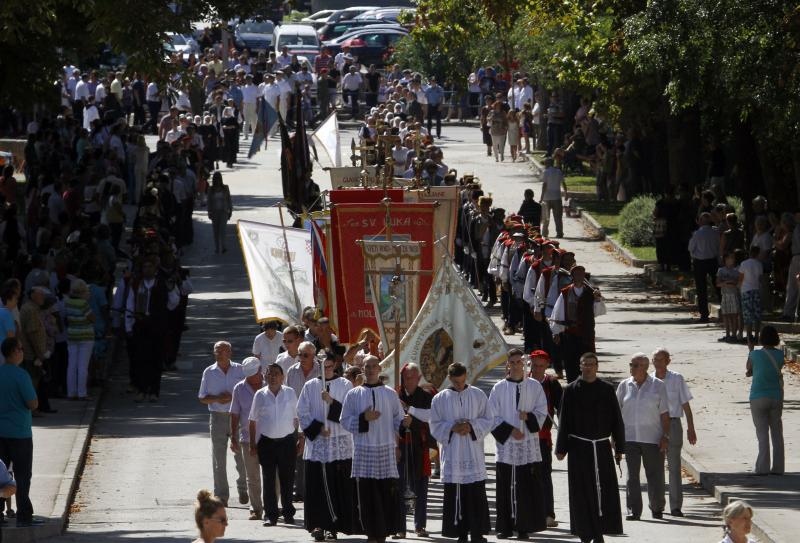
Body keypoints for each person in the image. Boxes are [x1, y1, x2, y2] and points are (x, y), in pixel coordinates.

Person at [555, 353, 624, 543]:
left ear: (597, 366)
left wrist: (619, 447)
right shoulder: (570, 390)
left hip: (601, 447)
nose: (588, 367)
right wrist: (561, 448)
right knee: (581, 491)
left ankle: (601, 530)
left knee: (603, 490)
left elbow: (616, 420)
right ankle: (585, 532)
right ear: (580, 366)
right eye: (585, 364)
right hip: (579, 448)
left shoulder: (607, 389)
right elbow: (564, 421)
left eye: (591, 364)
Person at [340, 355, 404, 543]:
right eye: (367, 366)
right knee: (366, 495)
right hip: (364, 448)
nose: (370, 369)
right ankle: (370, 533)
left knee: (385, 493)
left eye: (374, 366)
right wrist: (363, 418)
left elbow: (397, 419)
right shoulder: (353, 394)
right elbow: (344, 420)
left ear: (380, 369)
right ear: (363, 369)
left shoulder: (390, 393)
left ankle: (383, 533)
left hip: (385, 448)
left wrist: (404, 423)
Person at [297, 351, 358, 541]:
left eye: (330, 366)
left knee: (338, 485)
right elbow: (301, 410)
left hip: (339, 441)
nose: (327, 369)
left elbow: (351, 410)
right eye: (323, 366)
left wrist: (331, 402)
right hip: (318, 443)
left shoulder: (345, 385)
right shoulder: (310, 385)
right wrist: (317, 428)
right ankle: (318, 525)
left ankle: (335, 525)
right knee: (318, 486)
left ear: (336, 365)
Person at [429, 362, 493, 543]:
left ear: (466, 377)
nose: (459, 385)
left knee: (476, 494)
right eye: (456, 382)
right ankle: (460, 533)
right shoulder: (440, 399)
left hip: (473, 453)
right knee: (457, 495)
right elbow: (434, 424)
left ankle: (478, 533)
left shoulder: (478, 395)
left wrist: (471, 426)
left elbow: (488, 419)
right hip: (453, 454)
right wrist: (452, 427)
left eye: (462, 381)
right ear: (449, 378)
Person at [488, 349, 548, 538]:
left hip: (527, 444)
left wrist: (528, 417)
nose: (515, 365)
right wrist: (511, 430)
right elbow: (491, 416)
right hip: (507, 446)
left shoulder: (534, 386)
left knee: (525, 487)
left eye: (518, 362)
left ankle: (524, 527)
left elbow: (542, 412)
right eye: (512, 362)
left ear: (524, 364)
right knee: (505, 486)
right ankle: (505, 527)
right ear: (507, 365)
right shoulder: (498, 388)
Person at [616, 353, 670, 521]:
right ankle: (633, 510)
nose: (630, 368)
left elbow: (665, 414)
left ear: (644, 367)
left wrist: (665, 436)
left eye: (634, 365)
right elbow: (616, 413)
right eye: (631, 364)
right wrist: (614, 437)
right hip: (629, 437)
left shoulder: (658, 386)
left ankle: (657, 508)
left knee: (655, 475)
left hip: (652, 437)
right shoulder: (624, 385)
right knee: (632, 475)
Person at [198, 341, 247, 508]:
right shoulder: (209, 372)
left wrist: (233, 398)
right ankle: (221, 495)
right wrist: (218, 398)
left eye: (223, 351)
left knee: (241, 455)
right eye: (216, 351)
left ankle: (244, 489)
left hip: (237, 416)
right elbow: (202, 397)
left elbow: (248, 393)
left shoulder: (240, 369)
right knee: (218, 458)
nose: (219, 354)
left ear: (230, 352)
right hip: (217, 416)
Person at [125, 256, 180, 402]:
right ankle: (142, 389)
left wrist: (161, 313)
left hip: (157, 326)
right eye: (145, 267)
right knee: (141, 358)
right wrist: (128, 325)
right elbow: (130, 304)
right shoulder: (137, 284)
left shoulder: (162, 283)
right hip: (141, 325)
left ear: (155, 269)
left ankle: (154, 391)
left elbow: (174, 302)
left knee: (156, 359)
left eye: (150, 267)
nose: (147, 269)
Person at [249, 363, 298, 526]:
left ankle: (288, 513)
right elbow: (252, 420)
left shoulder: (290, 393)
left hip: (287, 441)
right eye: (269, 374)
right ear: (265, 376)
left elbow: (298, 417)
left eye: (276, 373)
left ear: (282, 377)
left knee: (287, 479)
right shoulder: (260, 395)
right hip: (267, 442)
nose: (273, 377)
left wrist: (301, 438)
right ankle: (271, 514)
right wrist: (252, 444)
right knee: (268, 479)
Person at [650, 348, 697, 516]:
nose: (657, 363)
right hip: (654, 426)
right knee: (656, 467)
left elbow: (685, 405)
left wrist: (691, 427)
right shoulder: (649, 380)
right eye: (655, 359)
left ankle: (675, 506)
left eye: (661, 360)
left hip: (674, 424)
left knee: (674, 466)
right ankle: (657, 505)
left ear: (668, 361)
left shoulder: (677, 379)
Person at [0, 337, 39, 528]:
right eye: (21, 349)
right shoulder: (21, 375)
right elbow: (32, 403)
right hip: (20, 432)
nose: (22, 352)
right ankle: (24, 515)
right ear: (14, 352)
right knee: (22, 475)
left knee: (0, 475)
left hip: (1, 432)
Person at [395, 363, 434, 538]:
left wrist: (414, 423)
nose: (407, 381)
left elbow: (431, 420)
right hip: (401, 446)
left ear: (418, 378)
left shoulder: (426, 397)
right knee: (399, 486)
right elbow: (391, 420)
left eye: (411, 378)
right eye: (405, 378)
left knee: (420, 487)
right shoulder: (395, 396)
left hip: (419, 446)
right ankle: (399, 527)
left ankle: (420, 525)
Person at [549, 265, 604, 382]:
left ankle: (587, 384)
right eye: (577, 274)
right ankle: (572, 385)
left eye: (581, 274)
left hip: (587, 334)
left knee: (588, 362)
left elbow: (599, 312)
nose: (579, 276)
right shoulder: (565, 292)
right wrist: (556, 332)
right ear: (572, 276)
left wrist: (598, 299)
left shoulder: (591, 292)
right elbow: (557, 313)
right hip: (570, 334)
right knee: (570, 362)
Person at [528, 350, 562, 527]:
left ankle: (548, 513)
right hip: (523, 437)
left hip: (542, 437)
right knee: (526, 475)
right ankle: (529, 511)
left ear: (547, 366)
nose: (538, 369)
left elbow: (561, 411)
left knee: (544, 476)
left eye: (541, 366)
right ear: (530, 364)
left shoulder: (552, 383)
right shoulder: (522, 380)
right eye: (535, 365)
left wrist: (563, 440)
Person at [229, 357, 264, 521]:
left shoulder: (271, 384)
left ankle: (272, 505)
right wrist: (233, 436)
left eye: (253, 374)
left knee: (274, 475)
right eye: (248, 375)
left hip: (271, 437)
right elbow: (234, 413)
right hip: (247, 437)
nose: (251, 378)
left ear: (260, 370)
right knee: (252, 476)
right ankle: (256, 508)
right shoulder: (239, 388)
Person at [745, 325, 784, 475]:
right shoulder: (780, 355)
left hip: (758, 396)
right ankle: (779, 467)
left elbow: (749, 369)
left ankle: (762, 468)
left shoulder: (755, 355)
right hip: (776, 396)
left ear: (761, 338)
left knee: (762, 433)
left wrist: (750, 350)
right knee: (776, 432)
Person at [65, 279, 95, 401]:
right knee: (83, 366)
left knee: (71, 365)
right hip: (85, 336)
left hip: (72, 335)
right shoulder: (83, 304)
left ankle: (71, 392)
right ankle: (82, 393)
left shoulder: (68, 302)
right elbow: (92, 318)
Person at [688, 212, 720, 323]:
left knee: (701, 289)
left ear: (701, 221)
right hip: (713, 261)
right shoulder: (715, 232)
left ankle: (704, 315)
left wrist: (694, 255)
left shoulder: (697, 234)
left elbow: (691, 248)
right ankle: (725, 311)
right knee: (718, 286)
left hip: (700, 262)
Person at [739, 245, 764, 346]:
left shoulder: (744, 263)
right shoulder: (759, 264)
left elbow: (741, 278)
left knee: (747, 315)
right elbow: (760, 278)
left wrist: (739, 288)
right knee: (757, 314)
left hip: (746, 290)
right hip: (756, 290)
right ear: (758, 254)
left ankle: (749, 337)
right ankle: (757, 336)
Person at [716, 252, 743, 343]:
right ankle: (727, 334)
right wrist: (726, 283)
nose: (731, 260)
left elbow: (738, 283)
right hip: (725, 295)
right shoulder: (721, 270)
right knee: (726, 316)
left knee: (734, 316)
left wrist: (731, 283)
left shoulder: (737, 270)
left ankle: (734, 335)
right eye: (729, 258)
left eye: (733, 258)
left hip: (733, 295)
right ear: (725, 260)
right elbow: (718, 283)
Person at [539, 158, 567, 238]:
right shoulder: (558, 171)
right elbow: (563, 183)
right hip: (557, 197)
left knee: (546, 217)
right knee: (558, 217)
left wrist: (541, 197)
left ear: (547, 164)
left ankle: (544, 233)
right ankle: (559, 233)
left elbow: (544, 185)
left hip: (547, 197)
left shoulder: (546, 172)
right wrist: (566, 194)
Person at [207, 171, 232, 254]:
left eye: (219, 179)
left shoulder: (225, 188)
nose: (218, 180)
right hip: (214, 212)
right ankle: (217, 248)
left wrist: (230, 210)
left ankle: (224, 247)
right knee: (216, 231)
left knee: (223, 230)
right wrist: (209, 212)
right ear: (214, 180)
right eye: (216, 179)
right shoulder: (211, 189)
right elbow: (209, 201)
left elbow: (229, 200)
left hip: (223, 211)